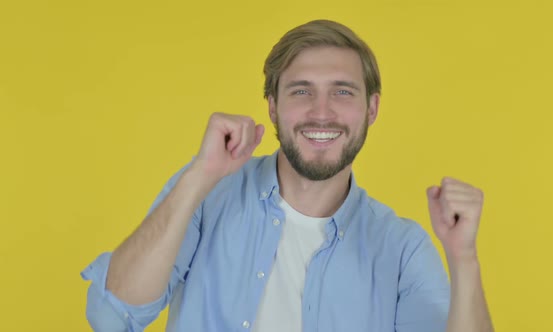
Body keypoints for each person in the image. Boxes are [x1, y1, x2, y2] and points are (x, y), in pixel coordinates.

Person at [81, 19, 494, 332]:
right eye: (300, 90)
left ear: (371, 109)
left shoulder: (403, 250)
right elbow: (110, 313)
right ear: (273, 108)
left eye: (342, 91)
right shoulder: (207, 196)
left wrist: (464, 259)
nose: (321, 111)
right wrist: (197, 178)